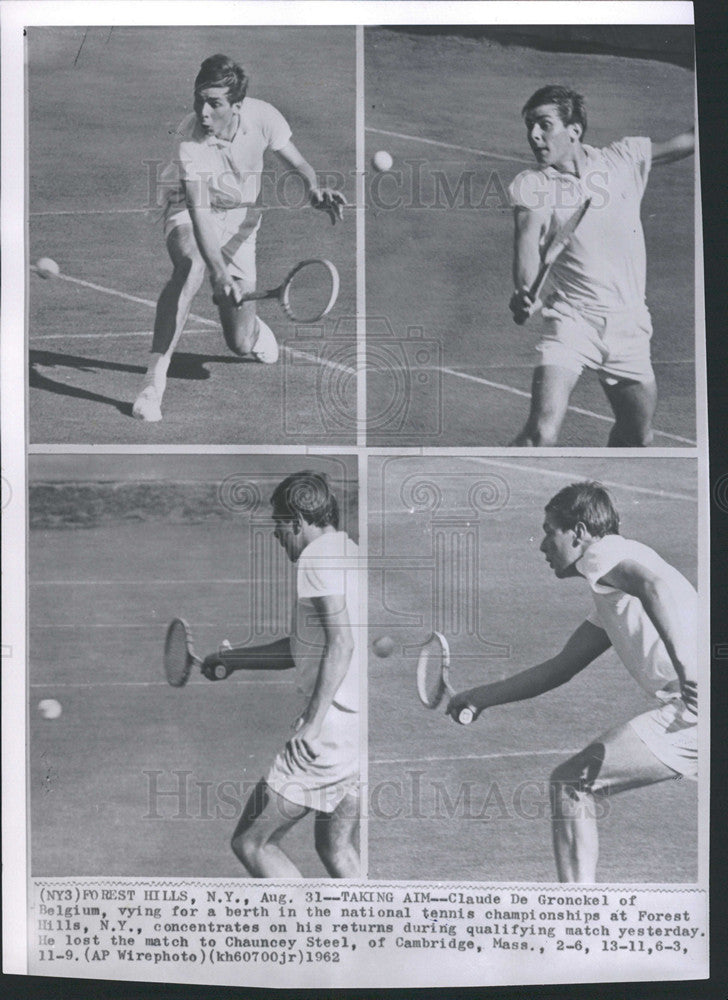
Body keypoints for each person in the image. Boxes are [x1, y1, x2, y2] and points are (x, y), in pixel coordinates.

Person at [447, 481, 698, 883]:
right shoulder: (615, 585)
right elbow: (560, 668)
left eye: (550, 532)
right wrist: (479, 698)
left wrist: (688, 669)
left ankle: (576, 913)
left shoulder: (603, 553)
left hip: (694, 712)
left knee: (571, 784)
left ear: (579, 533)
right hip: (695, 712)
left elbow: (655, 587)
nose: (543, 546)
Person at [132, 54, 345, 422]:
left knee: (240, 343)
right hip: (189, 206)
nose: (202, 112)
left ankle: (254, 330)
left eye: (214, 103)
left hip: (242, 221)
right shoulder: (189, 142)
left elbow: (298, 162)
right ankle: (153, 384)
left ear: (238, 106)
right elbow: (199, 213)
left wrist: (313, 188)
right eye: (199, 99)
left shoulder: (264, 117)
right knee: (191, 265)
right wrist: (217, 271)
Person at [508, 85, 694, 446]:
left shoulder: (624, 158)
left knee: (637, 436)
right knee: (541, 433)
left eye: (544, 125)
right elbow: (528, 240)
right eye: (530, 126)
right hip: (573, 321)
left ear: (574, 130)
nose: (533, 135)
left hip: (629, 324)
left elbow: (689, 141)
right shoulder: (534, 185)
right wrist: (524, 288)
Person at [200, 470, 360, 878]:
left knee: (252, 842)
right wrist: (234, 660)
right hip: (359, 731)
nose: (276, 535)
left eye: (278, 525)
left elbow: (343, 643)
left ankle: (307, 936)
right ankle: (371, 932)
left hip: (327, 734)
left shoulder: (315, 559)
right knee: (335, 847)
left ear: (298, 521)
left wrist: (313, 722)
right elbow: (302, 646)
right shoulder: (347, 552)